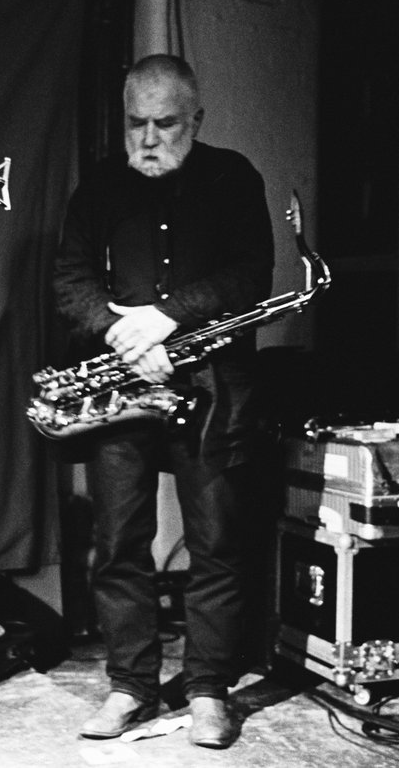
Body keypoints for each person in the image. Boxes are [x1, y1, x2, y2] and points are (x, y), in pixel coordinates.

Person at [52, 54, 275, 749]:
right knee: (119, 544)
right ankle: (131, 687)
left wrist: (167, 316)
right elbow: (69, 280)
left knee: (217, 544)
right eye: (136, 123)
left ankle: (209, 691)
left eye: (166, 123)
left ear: (197, 120)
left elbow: (251, 276)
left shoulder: (234, 178)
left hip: (210, 391)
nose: (148, 138)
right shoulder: (97, 188)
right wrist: (121, 329)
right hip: (122, 387)